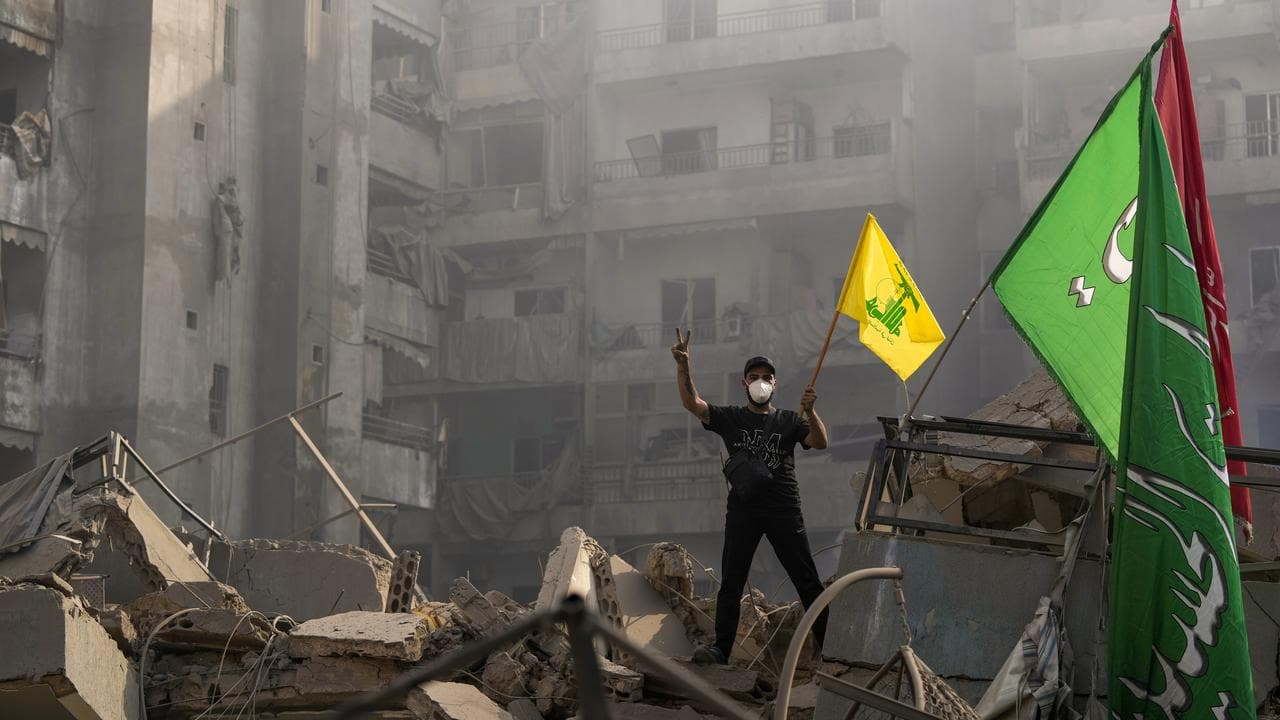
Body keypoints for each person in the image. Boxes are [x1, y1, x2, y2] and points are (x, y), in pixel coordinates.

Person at [670, 328, 830, 665]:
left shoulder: (790, 420)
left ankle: (830, 650)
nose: (760, 382)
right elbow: (692, 404)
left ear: (774, 384)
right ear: (744, 383)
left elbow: (820, 442)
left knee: (807, 582)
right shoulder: (731, 418)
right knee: (732, 581)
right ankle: (721, 649)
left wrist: (811, 411)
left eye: (766, 377)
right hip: (743, 510)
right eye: (754, 377)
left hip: (785, 510)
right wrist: (684, 366)